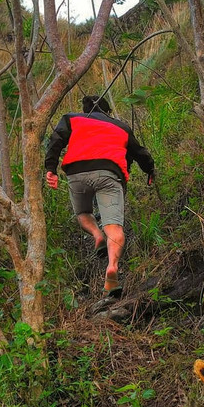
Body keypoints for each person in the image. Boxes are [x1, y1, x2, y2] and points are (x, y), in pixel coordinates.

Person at [45, 95, 155, 299]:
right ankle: (112, 267)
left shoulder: (72, 118)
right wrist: (150, 171)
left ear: (85, 109)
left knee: (83, 213)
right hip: (108, 173)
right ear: (108, 112)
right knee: (114, 227)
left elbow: (56, 141)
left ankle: (97, 236)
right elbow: (140, 153)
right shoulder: (121, 127)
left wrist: (50, 169)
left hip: (77, 173)